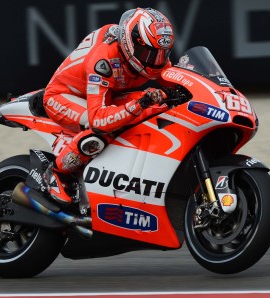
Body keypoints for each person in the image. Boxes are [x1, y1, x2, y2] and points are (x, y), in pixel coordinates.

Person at [42, 7, 175, 205]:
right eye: (148, 53)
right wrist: (140, 104)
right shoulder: (104, 58)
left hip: (106, 94)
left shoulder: (151, 57)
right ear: (131, 43)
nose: (154, 61)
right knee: (102, 129)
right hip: (63, 95)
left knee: (156, 107)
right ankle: (55, 173)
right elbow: (99, 118)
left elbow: (176, 81)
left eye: (160, 55)